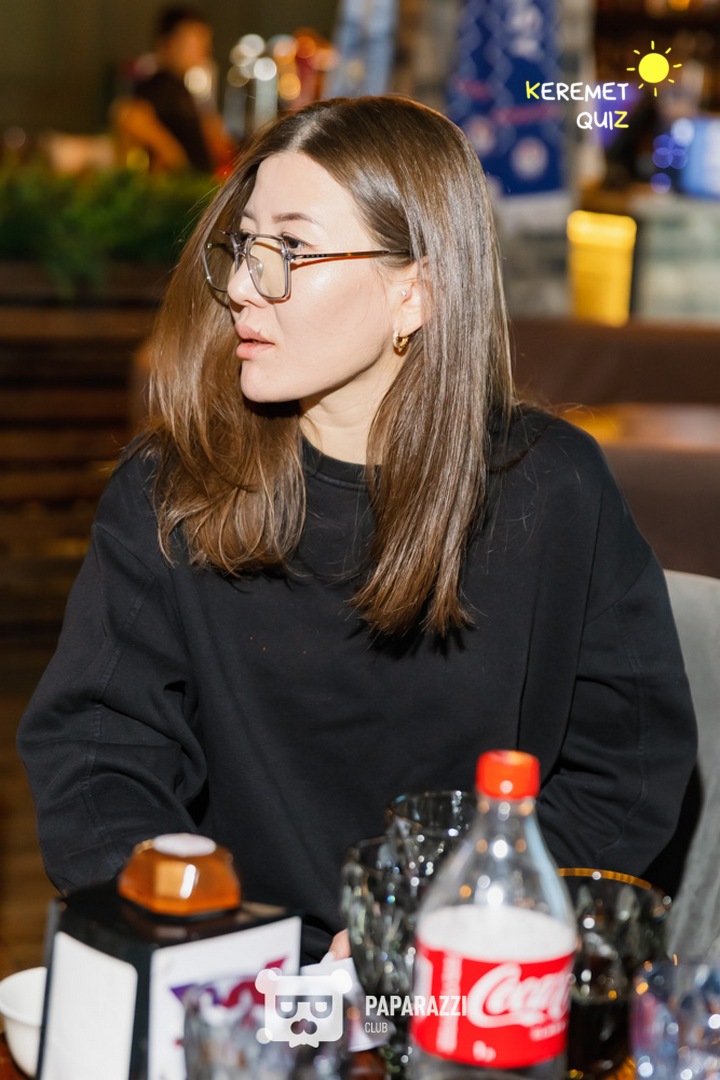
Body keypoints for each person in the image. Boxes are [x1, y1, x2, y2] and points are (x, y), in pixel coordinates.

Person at [18, 96, 696, 964]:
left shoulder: (552, 488)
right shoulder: (170, 488)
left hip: (469, 969)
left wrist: (458, 917)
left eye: (292, 250)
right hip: (225, 969)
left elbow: (629, 770)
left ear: (415, 291)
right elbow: (96, 757)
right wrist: (203, 943)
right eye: (244, 244)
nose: (242, 286)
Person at [113, 5, 234, 172]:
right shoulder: (160, 83)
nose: (206, 48)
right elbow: (129, 116)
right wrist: (173, 155)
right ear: (170, 43)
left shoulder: (181, 88)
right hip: (181, 185)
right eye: (197, 39)